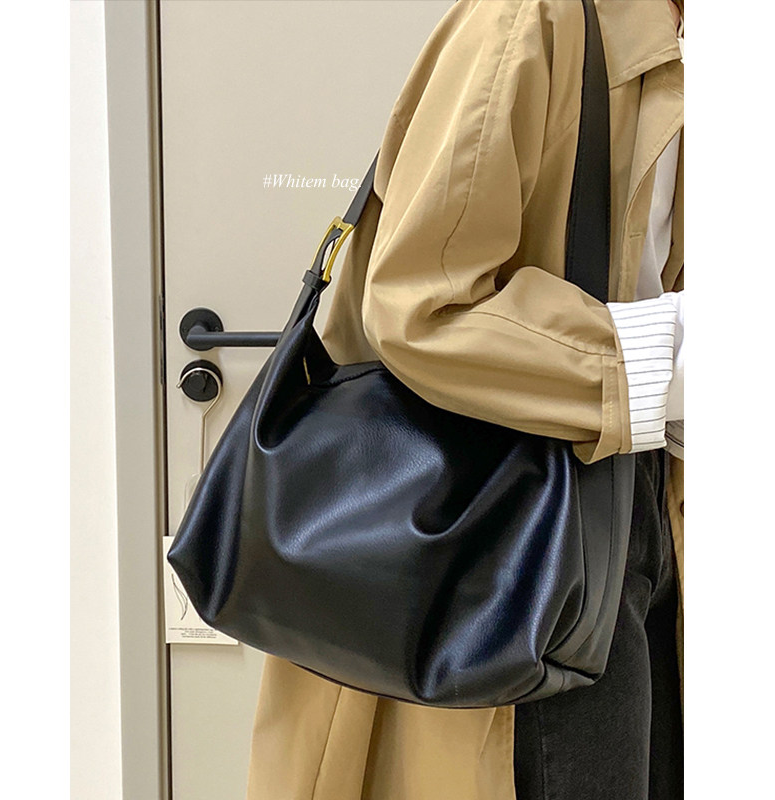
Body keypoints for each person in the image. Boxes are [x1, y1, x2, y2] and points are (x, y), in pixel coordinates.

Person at [246, 1, 684, 798]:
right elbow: (424, 305)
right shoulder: (531, 19)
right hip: (526, 511)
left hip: (644, 490)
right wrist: (658, 360)